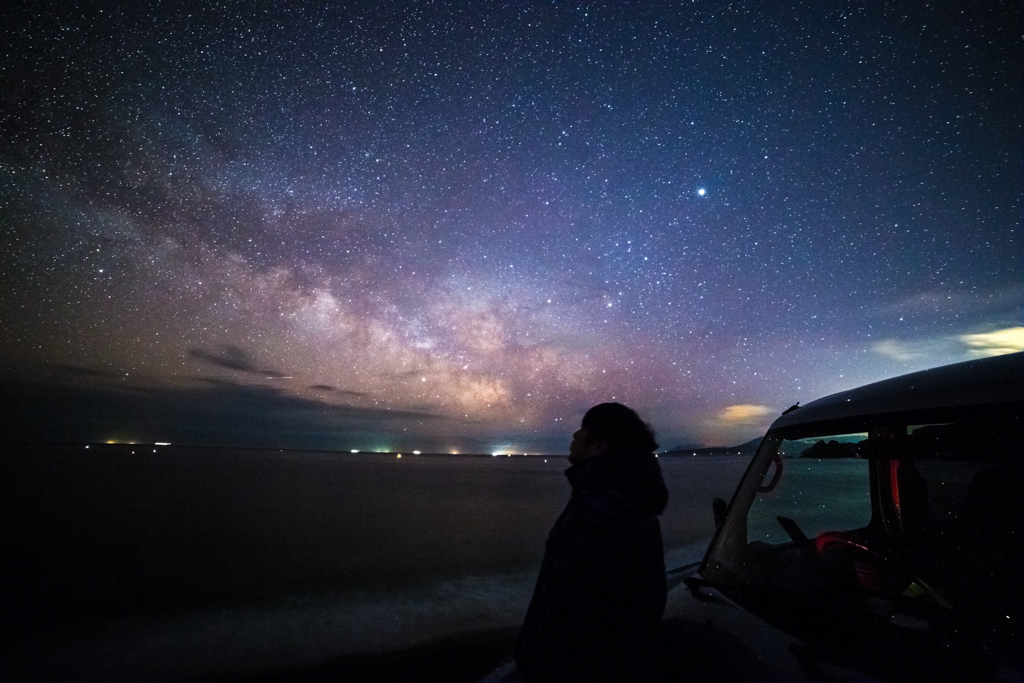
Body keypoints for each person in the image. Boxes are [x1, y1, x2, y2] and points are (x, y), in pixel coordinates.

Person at [515, 403, 668, 682]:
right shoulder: (634, 501)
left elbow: (565, 609)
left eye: (583, 429)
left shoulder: (596, 511)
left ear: (598, 446)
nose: (574, 435)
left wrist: (533, 661)